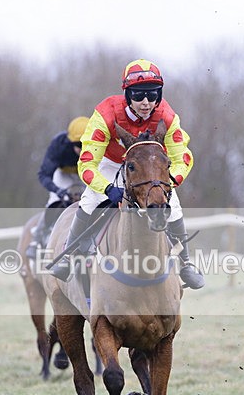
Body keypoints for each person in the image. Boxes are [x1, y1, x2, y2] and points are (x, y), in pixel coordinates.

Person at [51, 59, 204, 289]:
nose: (146, 102)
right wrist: (108, 188)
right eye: (138, 95)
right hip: (111, 163)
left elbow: (182, 156)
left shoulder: (168, 117)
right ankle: (67, 256)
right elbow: (87, 164)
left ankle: (185, 265)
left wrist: (171, 182)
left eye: (152, 96)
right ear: (127, 95)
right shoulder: (105, 114)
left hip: (150, 169)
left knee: (175, 206)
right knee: (89, 199)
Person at [25, 116, 89, 260]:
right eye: (79, 145)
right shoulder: (58, 145)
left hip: (87, 170)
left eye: (87, 144)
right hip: (64, 174)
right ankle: (37, 239)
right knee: (54, 202)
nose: (83, 149)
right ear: (69, 141)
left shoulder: (100, 142)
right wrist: (57, 190)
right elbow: (43, 174)